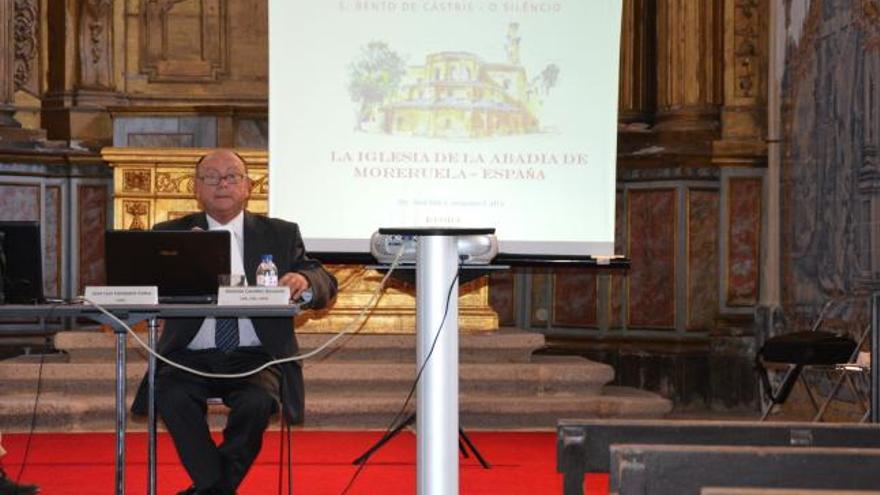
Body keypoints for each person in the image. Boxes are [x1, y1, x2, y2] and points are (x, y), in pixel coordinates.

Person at [131, 149, 338, 495]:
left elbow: (322, 279)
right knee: (170, 394)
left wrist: (303, 283)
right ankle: (217, 488)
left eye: (231, 176)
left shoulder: (280, 233)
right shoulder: (172, 232)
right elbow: (144, 285)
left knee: (256, 403)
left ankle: (209, 489)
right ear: (196, 188)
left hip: (256, 355)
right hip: (188, 354)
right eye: (211, 177)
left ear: (248, 186)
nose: (222, 184)